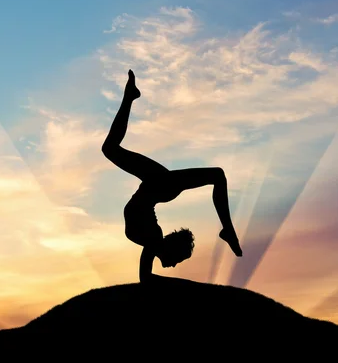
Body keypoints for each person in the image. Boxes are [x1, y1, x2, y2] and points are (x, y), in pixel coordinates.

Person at [101, 70, 243, 283]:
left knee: (217, 175)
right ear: (170, 248)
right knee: (217, 175)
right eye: (178, 260)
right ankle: (228, 230)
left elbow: (145, 279)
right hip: (161, 185)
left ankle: (130, 97)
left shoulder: (151, 240)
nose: (174, 265)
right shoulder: (152, 238)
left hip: (159, 185)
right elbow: (146, 279)